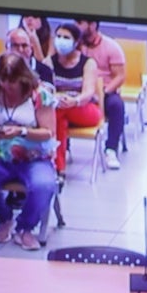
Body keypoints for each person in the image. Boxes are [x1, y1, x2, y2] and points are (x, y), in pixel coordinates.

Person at [0, 52, 58, 252]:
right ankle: (4, 218)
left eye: (13, 81)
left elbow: (48, 133)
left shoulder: (40, 95)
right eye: (3, 80)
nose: (7, 85)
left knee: (44, 185)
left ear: (23, 78)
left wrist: (22, 131)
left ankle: (25, 228)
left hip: (34, 158)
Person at [49, 22, 102, 179]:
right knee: (60, 119)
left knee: (58, 111)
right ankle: (59, 169)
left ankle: (54, 166)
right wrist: (56, 97)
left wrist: (75, 100)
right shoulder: (49, 62)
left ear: (76, 42)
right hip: (59, 108)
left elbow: (88, 92)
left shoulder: (88, 63)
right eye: (58, 36)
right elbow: (46, 90)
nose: (61, 40)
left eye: (66, 37)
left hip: (85, 109)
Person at [75, 19, 126, 170]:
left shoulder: (111, 46)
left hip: (104, 90)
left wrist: (103, 93)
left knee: (117, 105)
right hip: (79, 89)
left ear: (93, 25)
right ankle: (61, 149)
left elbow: (120, 76)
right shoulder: (74, 45)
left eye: (82, 23)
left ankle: (110, 149)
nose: (78, 26)